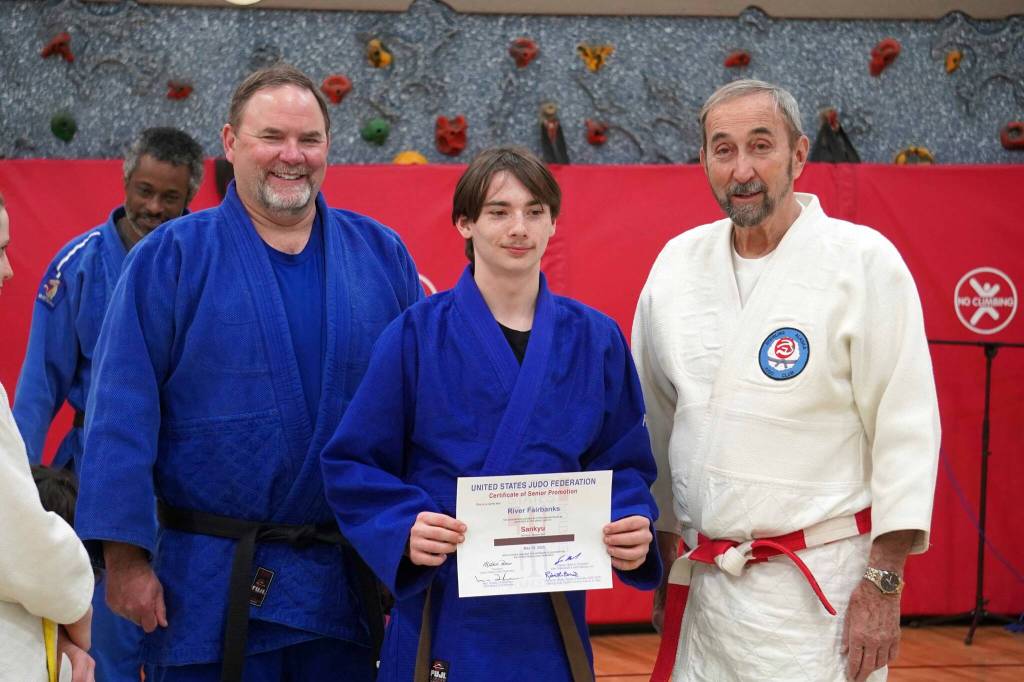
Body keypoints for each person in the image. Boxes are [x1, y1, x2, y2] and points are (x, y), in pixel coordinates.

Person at [73, 64, 422, 681]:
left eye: (309, 140)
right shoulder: (170, 257)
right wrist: (124, 560)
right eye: (272, 138)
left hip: (343, 577)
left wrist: (408, 536)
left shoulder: (381, 255)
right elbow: (121, 414)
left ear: (327, 148)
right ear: (231, 144)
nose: (292, 156)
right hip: (206, 583)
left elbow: (420, 409)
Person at [632, 79, 940, 682]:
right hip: (708, 588)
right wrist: (667, 555)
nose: (742, 169)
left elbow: (905, 429)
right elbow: (656, 425)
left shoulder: (863, 262)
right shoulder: (676, 265)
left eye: (761, 146)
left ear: (799, 155)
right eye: (723, 150)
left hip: (819, 593)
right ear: (703, 162)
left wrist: (884, 582)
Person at [320, 146, 661, 681]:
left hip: (551, 611)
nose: (518, 227)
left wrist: (630, 520)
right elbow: (353, 464)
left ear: (553, 223)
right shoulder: (414, 335)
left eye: (534, 211)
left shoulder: (595, 339)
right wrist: (403, 526)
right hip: (446, 604)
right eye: (499, 212)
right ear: (465, 223)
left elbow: (625, 463)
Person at [13, 126, 203, 682]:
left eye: (170, 198)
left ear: (190, 197)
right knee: (110, 636)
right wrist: (20, 486)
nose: (154, 207)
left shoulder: (200, 262)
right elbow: (39, 386)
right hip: (100, 469)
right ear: (125, 183)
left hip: (184, 477)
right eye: (144, 190)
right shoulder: (78, 264)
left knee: (184, 628)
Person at [0, 190, 96, 682]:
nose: (9, 270)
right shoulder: (85, 262)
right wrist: (74, 599)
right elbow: (13, 528)